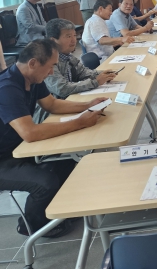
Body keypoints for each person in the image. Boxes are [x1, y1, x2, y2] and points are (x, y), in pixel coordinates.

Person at [0, 40, 108, 237]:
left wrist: (87, 105)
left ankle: (59, 211)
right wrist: (79, 122)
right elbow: (30, 133)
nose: (51, 72)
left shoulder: (32, 79)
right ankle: (33, 226)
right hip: (3, 159)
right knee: (45, 182)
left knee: (66, 160)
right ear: (33, 63)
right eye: (50, 66)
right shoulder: (7, 88)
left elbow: (52, 104)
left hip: (18, 148)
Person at [45, 18, 116, 99]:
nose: (73, 40)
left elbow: (83, 73)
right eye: (68, 36)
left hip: (71, 98)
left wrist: (102, 74)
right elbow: (62, 89)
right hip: (58, 103)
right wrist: (95, 82)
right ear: (53, 40)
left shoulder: (69, 56)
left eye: (74, 35)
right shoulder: (47, 61)